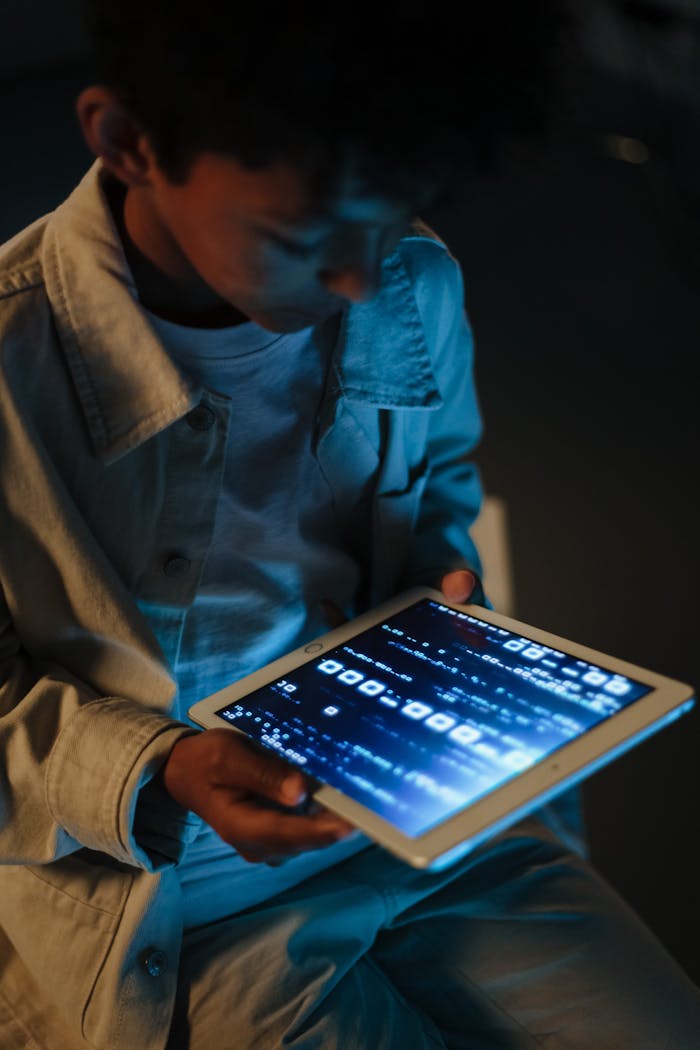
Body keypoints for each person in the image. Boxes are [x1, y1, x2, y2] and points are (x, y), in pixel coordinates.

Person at [1, 2, 698, 1047]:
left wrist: (440, 581)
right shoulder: (14, 365)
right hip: (185, 901)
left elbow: (441, 488)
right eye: (303, 237)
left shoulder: (412, 282)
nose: (361, 279)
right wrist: (162, 769)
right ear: (128, 142)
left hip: (430, 829)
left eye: (390, 220)